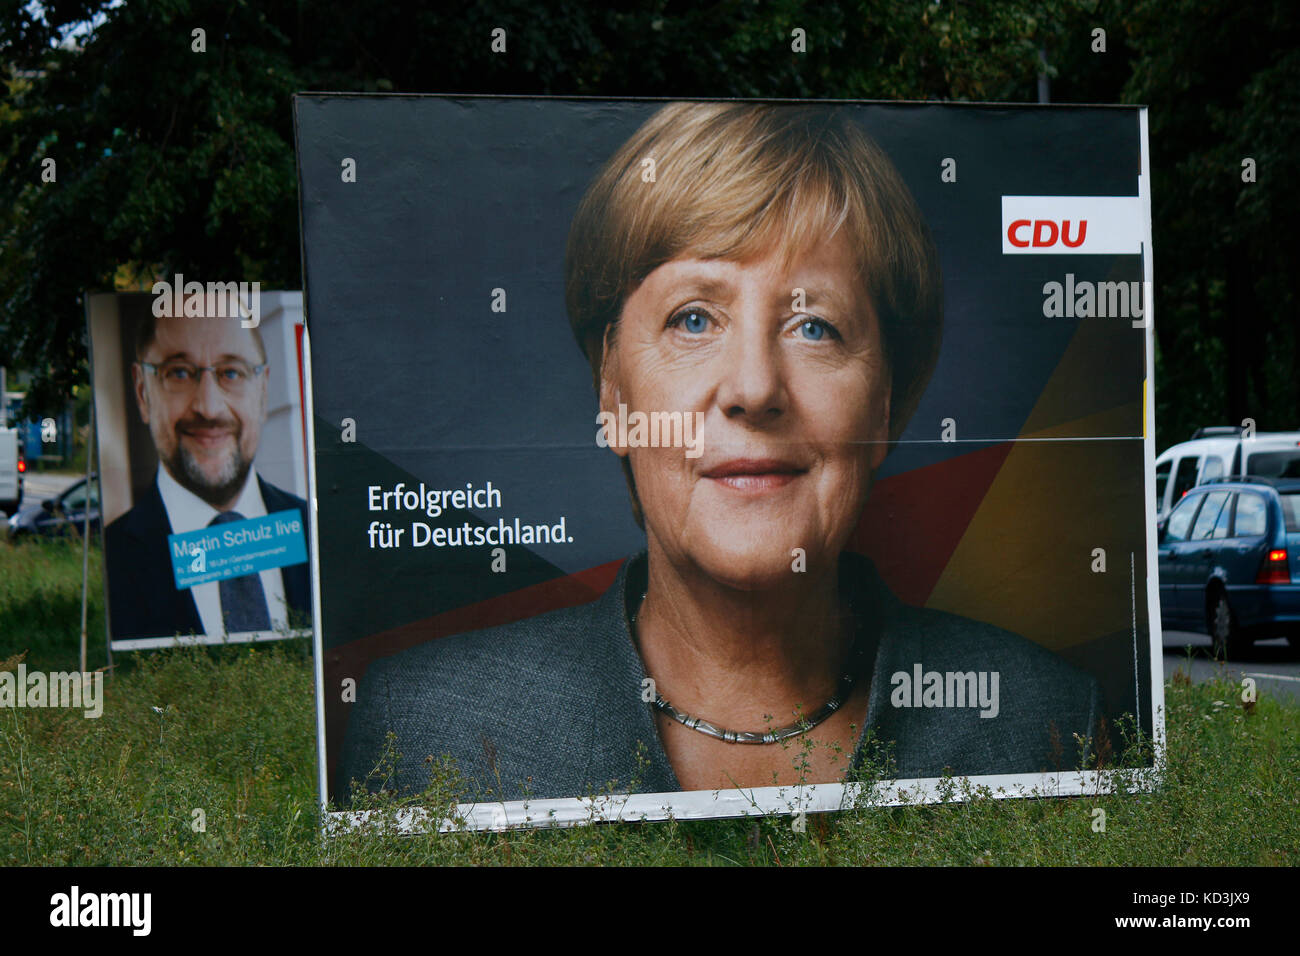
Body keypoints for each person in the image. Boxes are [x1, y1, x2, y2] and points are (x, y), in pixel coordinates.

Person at [337, 102, 1099, 805]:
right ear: (613, 390)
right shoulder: (425, 726)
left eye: (814, 327)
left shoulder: (1048, 722)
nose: (755, 387)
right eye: (694, 319)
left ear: (886, 402)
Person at [104, 305, 310, 641]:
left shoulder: (316, 531)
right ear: (143, 392)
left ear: (263, 392)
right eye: (179, 373)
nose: (209, 407)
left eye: (231, 372)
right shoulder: (112, 557)